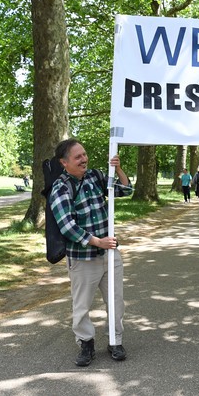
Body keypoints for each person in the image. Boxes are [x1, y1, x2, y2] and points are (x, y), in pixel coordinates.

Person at [49, 138, 132, 367]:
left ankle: (115, 341)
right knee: (82, 305)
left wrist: (118, 168)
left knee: (116, 301)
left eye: (84, 154)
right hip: (83, 259)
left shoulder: (95, 176)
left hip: (110, 255)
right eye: (78, 157)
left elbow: (125, 190)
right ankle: (86, 343)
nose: (84, 159)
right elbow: (67, 226)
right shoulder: (61, 187)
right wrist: (98, 242)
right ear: (64, 162)